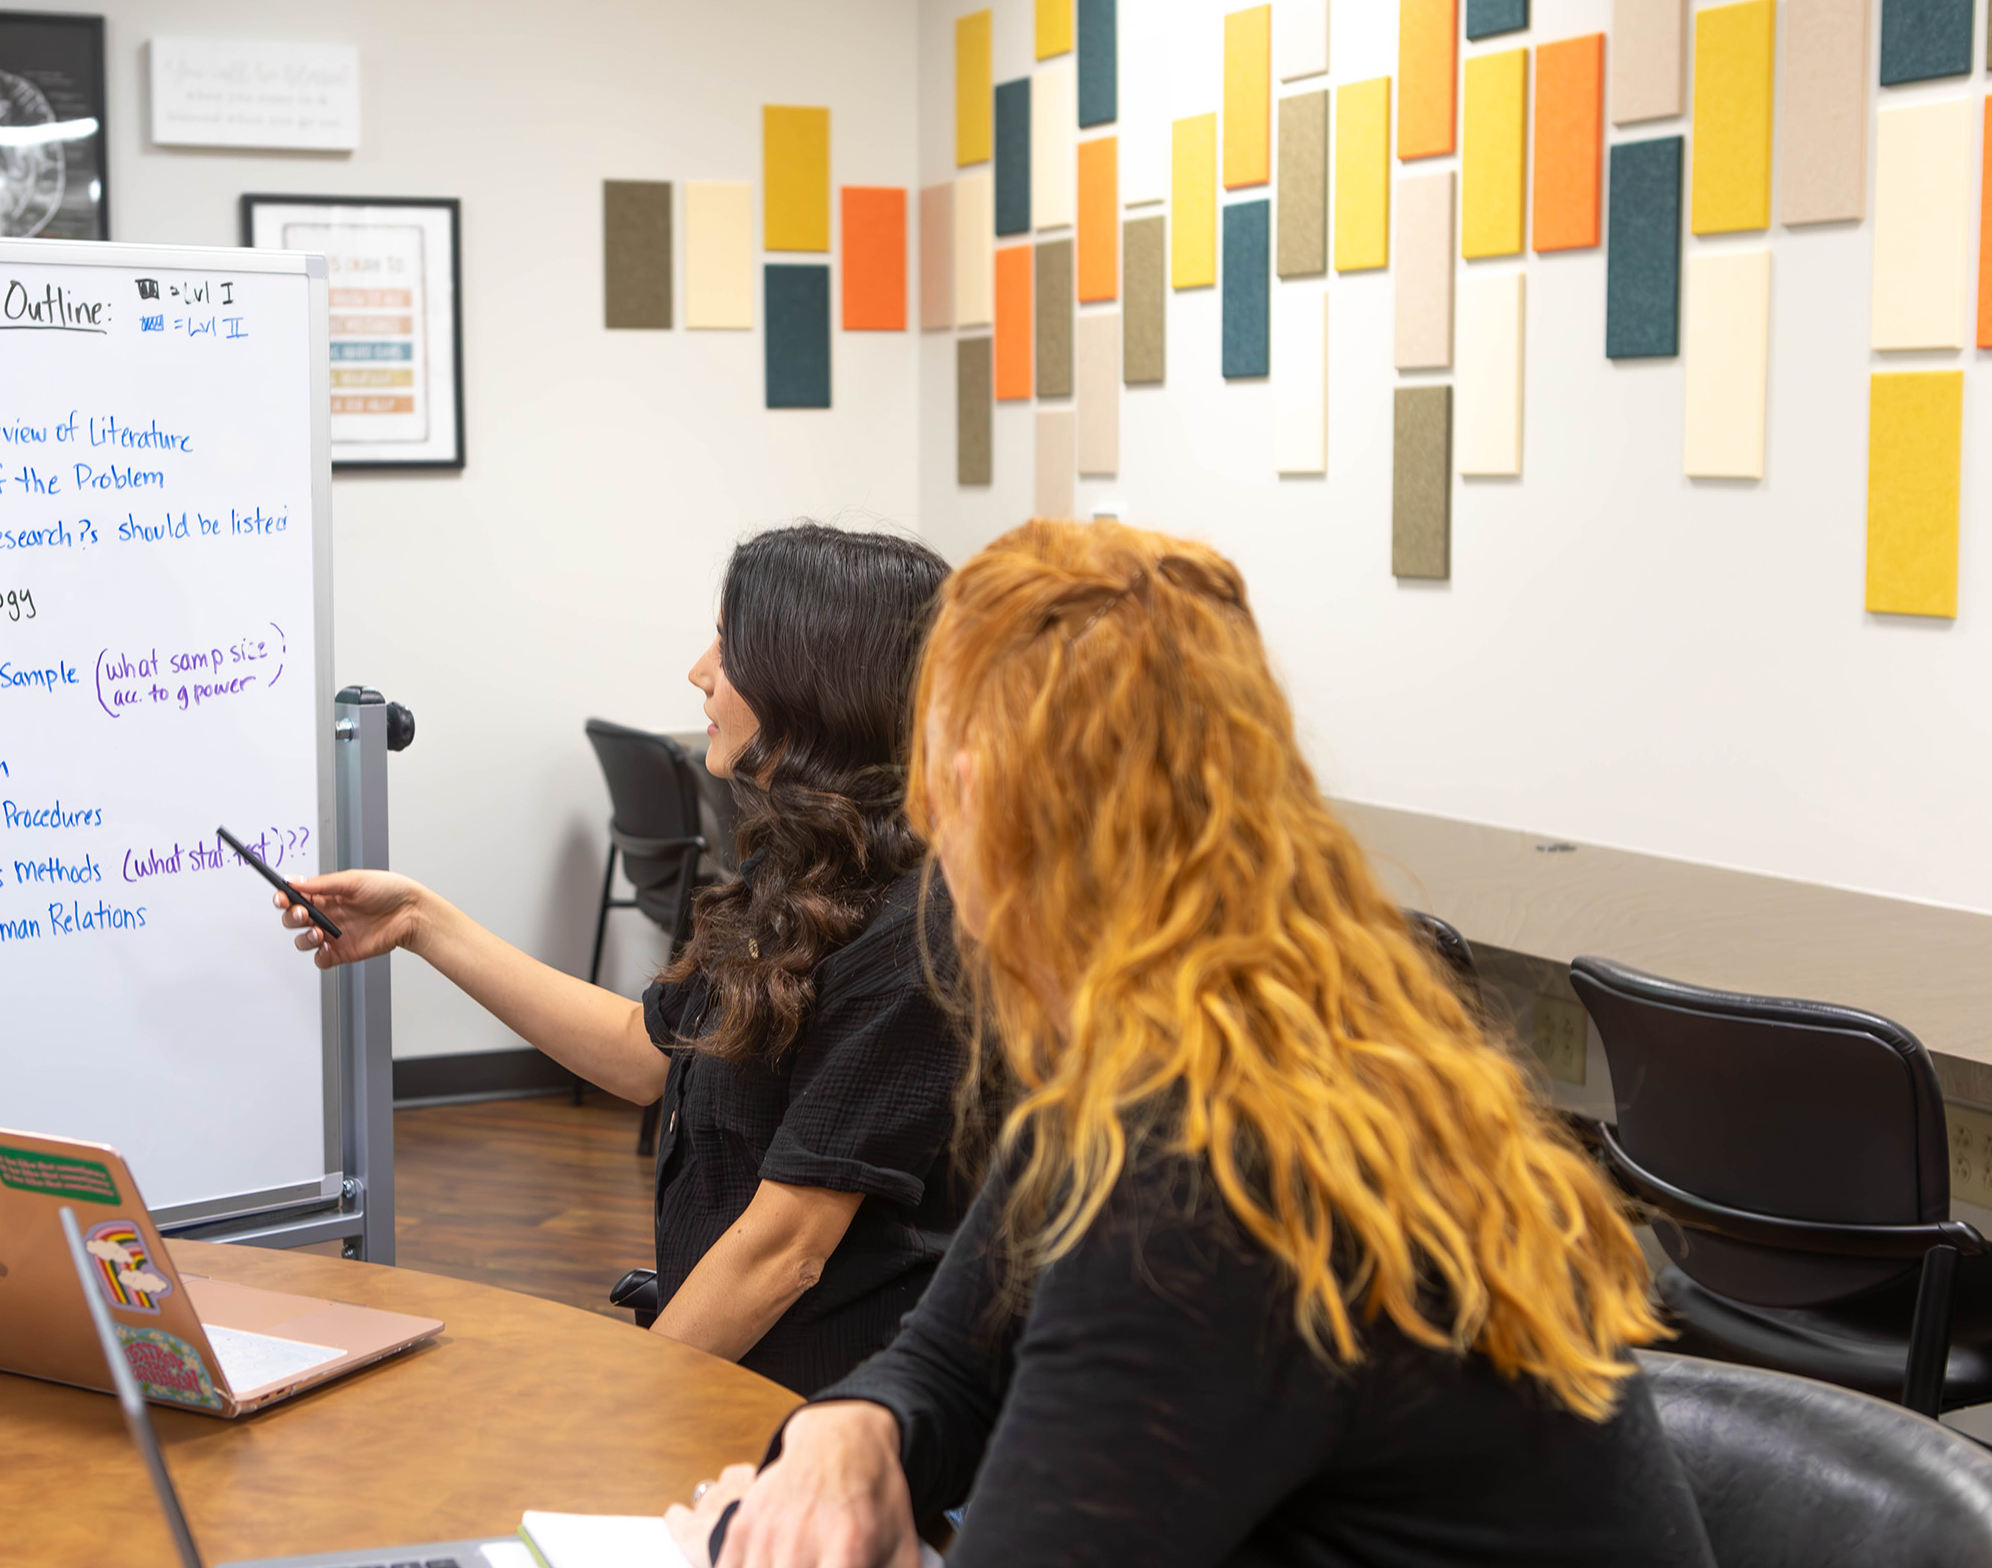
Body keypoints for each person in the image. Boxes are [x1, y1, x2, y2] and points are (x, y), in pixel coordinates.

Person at [671, 521, 1714, 1567]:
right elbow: (949, 1363)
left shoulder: (1202, 1167)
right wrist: (849, 1430)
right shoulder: (1211, 1038)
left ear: (980, 798)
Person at [275, 523, 970, 1395]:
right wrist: (420, 919)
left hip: (825, 1417)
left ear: (814, 680)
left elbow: (787, 1249)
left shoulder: (920, 931)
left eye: (730, 646)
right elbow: (649, 1052)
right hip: (732, 1386)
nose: (699, 670)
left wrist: (625, 1407)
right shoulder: (802, 864)